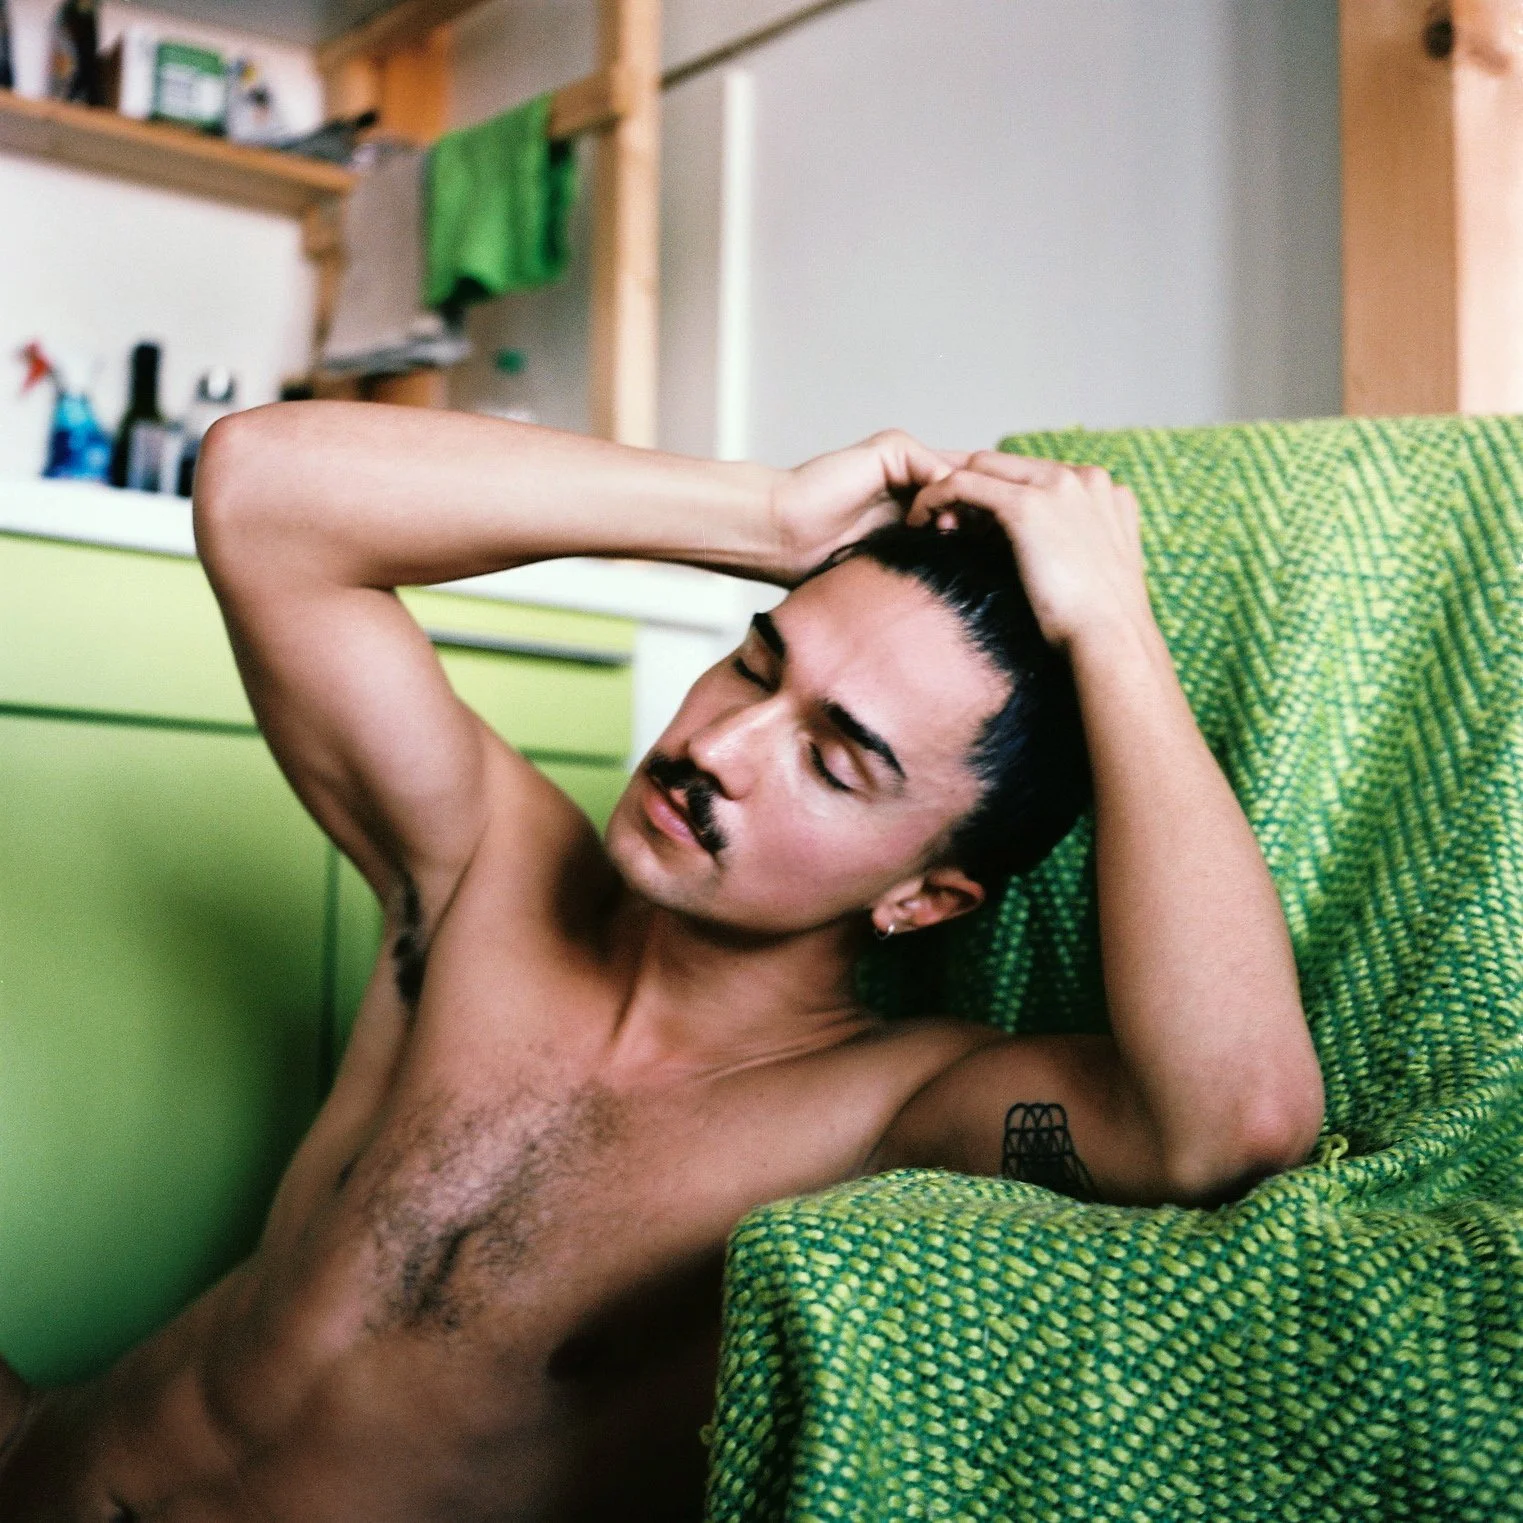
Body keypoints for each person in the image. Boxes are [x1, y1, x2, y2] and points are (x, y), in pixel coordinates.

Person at [0, 410, 1324, 1521]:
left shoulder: (889, 1117)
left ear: (925, 897)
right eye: (753, 664)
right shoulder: (486, 879)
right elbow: (261, 494)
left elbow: (1232, 1120)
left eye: (831, 761)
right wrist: (769, 516)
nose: (716, 748)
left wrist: (1113, 631)